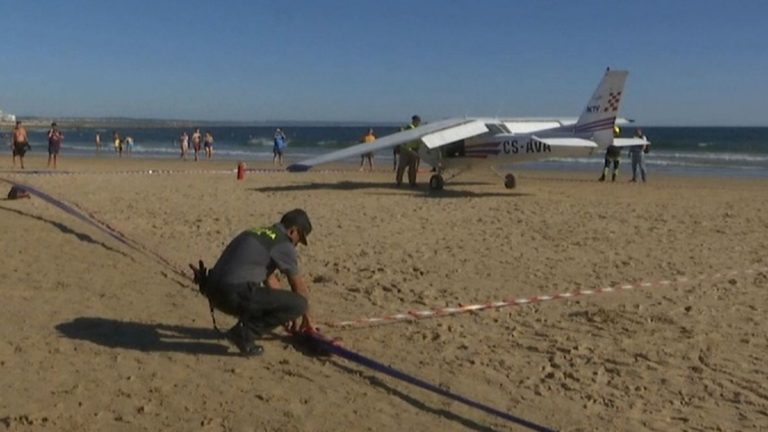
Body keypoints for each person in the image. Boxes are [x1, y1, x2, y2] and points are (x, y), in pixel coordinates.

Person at [190, 209, 314, 356]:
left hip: (213, 291)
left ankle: (244, 329)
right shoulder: (283, 243)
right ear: (293, 231)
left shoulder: (257, 231)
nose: (296, 245)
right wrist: (308, 320)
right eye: (299, 240)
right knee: (300, 303)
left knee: (289, 303)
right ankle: (244, 333)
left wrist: (284, 312)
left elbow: (268, 278)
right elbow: (298, 286)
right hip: (232, 294)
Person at [396, 115, 422, 187]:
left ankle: (412, 182)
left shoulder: (418, 128)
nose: (418, 122)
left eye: (419, 121)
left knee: (412, 167)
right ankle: (399, 181)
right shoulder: (410, 127)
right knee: (402, 166)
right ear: (414, 121)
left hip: (414, 150)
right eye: (417, 121)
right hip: (406, 149)